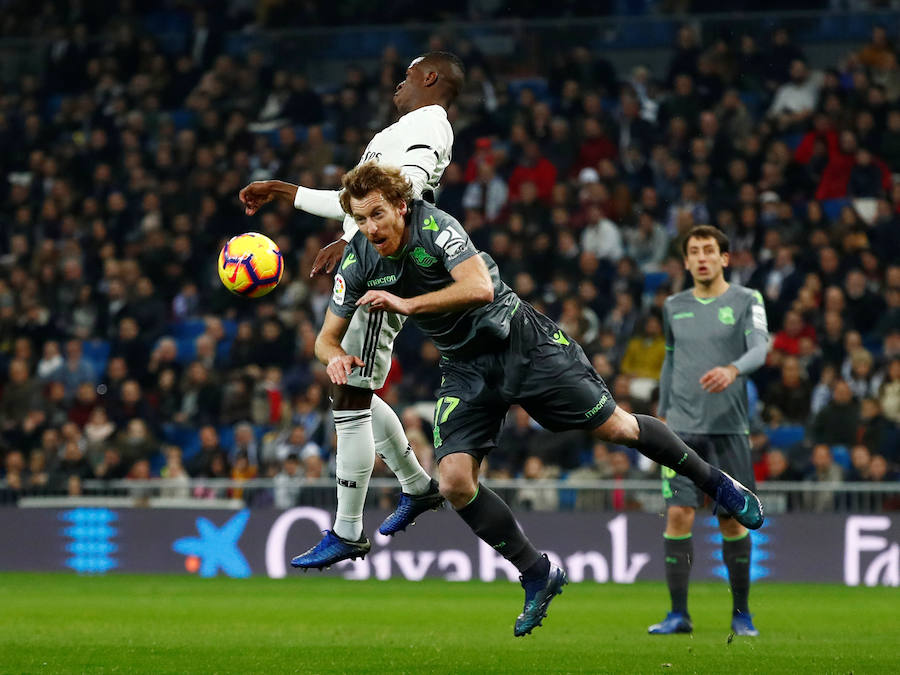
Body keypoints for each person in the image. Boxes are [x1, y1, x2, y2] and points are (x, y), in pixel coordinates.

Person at [312, 162, 763, 636]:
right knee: (454, 482)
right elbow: (326, 339)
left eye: (377, 214)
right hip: (465, 366)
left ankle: (718, 484)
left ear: (401, 207)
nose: (370, 228)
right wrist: (335, 358)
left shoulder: (435, 227)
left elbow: (479, 287)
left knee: (618, 428)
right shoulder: (359, 259)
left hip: (519, 341)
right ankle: (536, 573)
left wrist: (407, 304)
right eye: (360, 219)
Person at [239, 52, 465, 563]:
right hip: (369, 259)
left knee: (349, 397)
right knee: (350, 391)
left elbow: (410, 189)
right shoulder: (398, 131)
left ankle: (348, 529)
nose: (398, 85)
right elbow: (351, 200)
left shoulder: (430, 123)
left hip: (382, 266)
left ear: (430, 78)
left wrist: (358, 240)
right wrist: (282, 190)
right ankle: (417, 486)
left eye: (407, 76)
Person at [648, 225, 769, 638]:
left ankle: (742, 615)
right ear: (685, 262)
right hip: (680, 430)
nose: (702, 257)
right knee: (678, 514)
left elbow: (760, 348)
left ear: (724, 258)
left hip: (728, 429)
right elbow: (670, 359)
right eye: (694, 251)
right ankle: (678, 615)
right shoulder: (673, 305)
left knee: (732, 521)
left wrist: (733, 369)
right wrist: (663, 412)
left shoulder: (747, 300)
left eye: (709, 250)